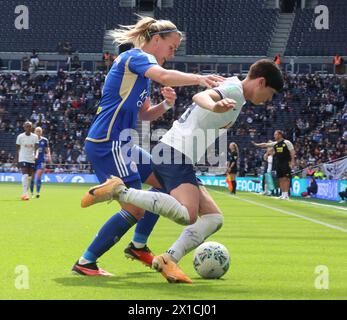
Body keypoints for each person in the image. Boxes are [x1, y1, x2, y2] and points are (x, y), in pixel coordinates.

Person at [81, 59, 284, 283]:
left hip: (177, 155)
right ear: (261, 82)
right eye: (271, 93)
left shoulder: (235, 89)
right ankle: (118, 191)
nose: (269, 99)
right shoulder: (234, 90)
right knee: (188, 214)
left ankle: (168, 259)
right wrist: (213, 105)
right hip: (175, 153)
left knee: (214, 218)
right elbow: (201, 96)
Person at [72, 16, 224, 277]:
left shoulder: (141, 74)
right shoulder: (137, 58)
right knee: (135, 209)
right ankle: (86, 262)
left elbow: (144, 115)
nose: (172, 53)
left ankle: (138, 246)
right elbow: (164, 75)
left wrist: (165, 106)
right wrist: (199, 79)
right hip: (109, 142)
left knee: (164, 183)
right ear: (156, 40)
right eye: (171, 47)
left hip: (125, 143)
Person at [252, 130, 295, 200]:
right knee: (280, 178)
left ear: (280, 135)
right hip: (279, 164)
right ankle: (283, 194)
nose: (274, 136)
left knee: (286, 178)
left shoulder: (287, 142)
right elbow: (265, 144)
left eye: (275, 134)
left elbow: (292, 152)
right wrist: (257, 144)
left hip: (286, 163)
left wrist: (292, 162)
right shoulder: (275, 144)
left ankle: (286, 194)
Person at [15, 121, 39, 200]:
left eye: (29, 126)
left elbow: (36, 148)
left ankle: (25, 192)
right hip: (23, 158)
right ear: (24, 127)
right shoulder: (20, 136)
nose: (28, 128)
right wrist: (17, 160)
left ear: (31, 127)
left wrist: (36, 155)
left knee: (29, 177)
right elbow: (17, 149)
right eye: (26, 126)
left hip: (31, 158)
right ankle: (24, 194)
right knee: (25, 175)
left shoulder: (35, 137)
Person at [30, 127, 52, 198]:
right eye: (37, 131)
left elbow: (47, 149)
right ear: (34, 132)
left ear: (41, 132)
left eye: (39, 131)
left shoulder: (44, 140)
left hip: (41, 161)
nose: (38, 132)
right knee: (32, 178)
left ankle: (37, 192)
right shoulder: (32, 139)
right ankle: (31, 193)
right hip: (32, 160)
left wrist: (49, 156)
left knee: (38, 176)